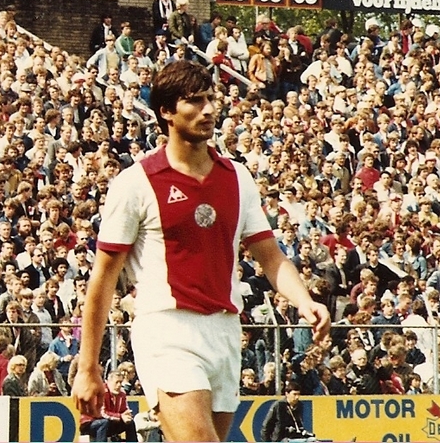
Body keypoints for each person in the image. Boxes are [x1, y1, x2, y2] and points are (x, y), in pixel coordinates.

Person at [72, 60, 330, 442]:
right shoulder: (137, 183)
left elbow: (271, 257)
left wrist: (304, 299)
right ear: (166, 112)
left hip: (225, 332)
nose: (208, 109)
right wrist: (88, 367)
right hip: (166, 328)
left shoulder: (237, 178)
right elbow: (103, 280)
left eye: (210, 98)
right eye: (194, 101)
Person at [79, 370, 138, 442]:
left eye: (120, 382)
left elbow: (125, 410)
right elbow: (101, 413)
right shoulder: (100, 391)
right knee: (104, 422)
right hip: (90, 423)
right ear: (108, 382)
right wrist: (120, 416)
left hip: (110, 421)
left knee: (130, 423)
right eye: (116, 382)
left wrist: (127, 416)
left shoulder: (122, 393)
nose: (119, 385)